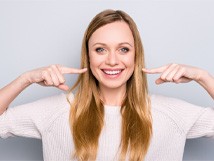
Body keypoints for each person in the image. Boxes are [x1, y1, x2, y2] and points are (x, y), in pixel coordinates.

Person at [0, 9, 213, 161]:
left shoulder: (172, 114)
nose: (112, 60)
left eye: (123, 49)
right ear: (88, 56)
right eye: (101, 49)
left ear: (136, 55)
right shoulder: (55, 111)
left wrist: (202, 77)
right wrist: (26, 79)